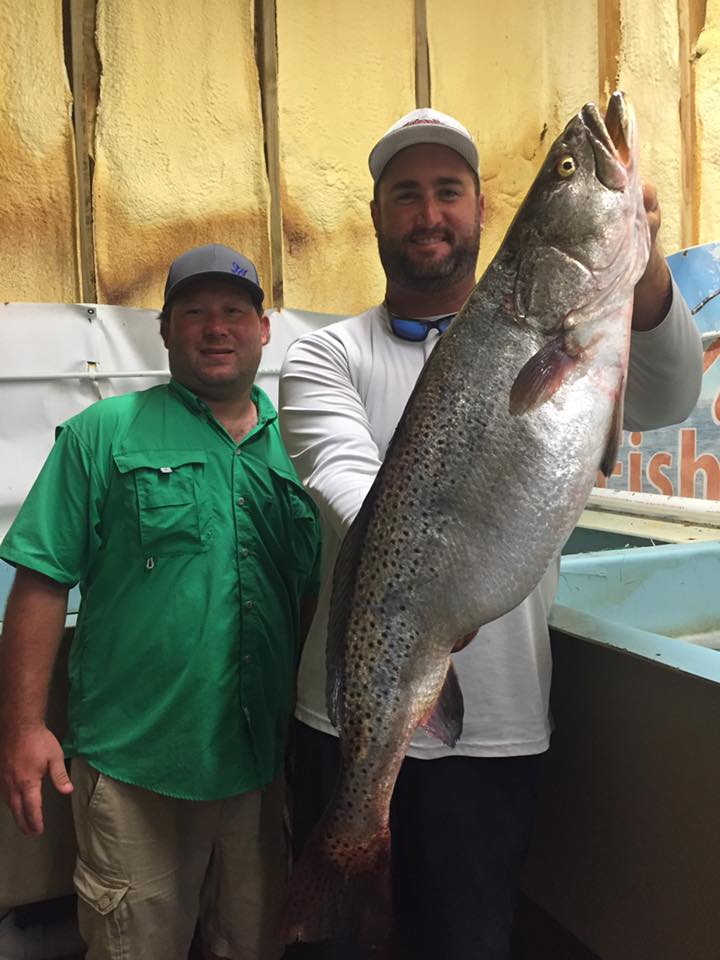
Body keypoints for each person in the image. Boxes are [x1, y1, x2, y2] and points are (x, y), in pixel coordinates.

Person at [278, 108, 704, 960]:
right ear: (375, 217)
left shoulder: (573, 335)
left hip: (501, 725)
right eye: (406, 195)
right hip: (351, 717)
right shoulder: (326, 356)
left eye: (448, 192)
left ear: (481, 211)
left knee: (468, 944)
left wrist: (645, 265)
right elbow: (353, 499)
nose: (428, 212)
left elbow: (668, 399)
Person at [0, 243, 322, 960]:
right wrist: (24, 728)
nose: (216, 328)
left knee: (255, 944)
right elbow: (42, 577)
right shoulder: (103, 434)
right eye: (195, 313)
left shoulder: (302, 452)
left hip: (261, 770)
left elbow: (309, 600)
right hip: (136, 771)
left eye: (234, 312)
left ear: (264, 329)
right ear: (165, 329)